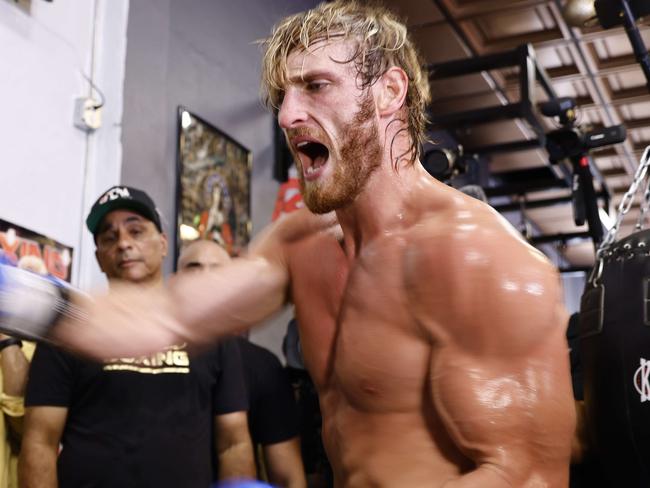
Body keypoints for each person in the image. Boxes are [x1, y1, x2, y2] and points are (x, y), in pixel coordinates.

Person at [2, 2, 575, 486]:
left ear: (389, 92)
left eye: (316, 86)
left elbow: (524, 476)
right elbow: (158, 319)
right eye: (284, 94)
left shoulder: (479, 261)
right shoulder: (300, 241)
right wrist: (13, 293)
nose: (289, 114)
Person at [18, 186, 255, 487]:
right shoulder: (70, 329)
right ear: (100, 257)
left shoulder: (209, 332)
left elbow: (233, 442)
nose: (124, 244)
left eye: (136, 231)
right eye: (110, 237)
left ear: (164, 243)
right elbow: (40, 441)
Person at [178, 240, 306, 488]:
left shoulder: (263, 366)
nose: (205, 278)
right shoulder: (146, 355)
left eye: (217, 270)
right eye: (193, 268)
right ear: (175, 279)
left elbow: (288, 474)